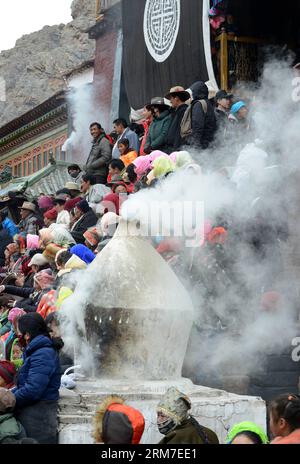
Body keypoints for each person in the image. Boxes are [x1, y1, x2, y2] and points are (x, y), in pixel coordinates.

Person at [12, 312, 62, 444]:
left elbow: (33, 389)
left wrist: (10, 399)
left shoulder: (43, 354)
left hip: (39, 420)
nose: (18, 337)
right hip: (33, 414)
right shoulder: (36, 351)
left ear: (27, 334)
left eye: (19, 333)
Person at [184, 81, 217, 150]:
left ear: (196, 92)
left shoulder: (198, 104)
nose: (192, 94)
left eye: (193, 91)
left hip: (202, 144)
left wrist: (195, 146)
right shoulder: (208, 103)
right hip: (210, 142)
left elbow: (197, 125)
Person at [164, 86, 190, 153]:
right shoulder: (176, 112)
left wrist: (175, 151)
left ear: (177, 98)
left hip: (176, 151)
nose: (170, 101)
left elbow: (179, 133)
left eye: (171, 98)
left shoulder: (183, 111)